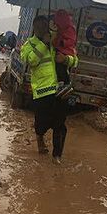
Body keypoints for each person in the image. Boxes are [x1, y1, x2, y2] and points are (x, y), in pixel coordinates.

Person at [20, 15, 67, 164]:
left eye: (45, 25)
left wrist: (66, 59)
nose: (42, 28)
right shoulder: (28, 45)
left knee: (60, 125)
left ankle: (57, 155)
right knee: (41, 124)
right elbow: (32, 61)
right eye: (39, 26)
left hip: (57, 91)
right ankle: (39, 137)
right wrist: (43, 44)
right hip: (41, 92)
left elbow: (72, 57)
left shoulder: (54, 41)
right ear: (34, 27)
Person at [52, 10, 79, 98]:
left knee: (60, 67)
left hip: (65, 51)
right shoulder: (57, 30)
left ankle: (66, 83)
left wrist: (62, 43)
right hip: (47, 89)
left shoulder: (69, 29)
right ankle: (64, 84)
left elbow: (71, 40)